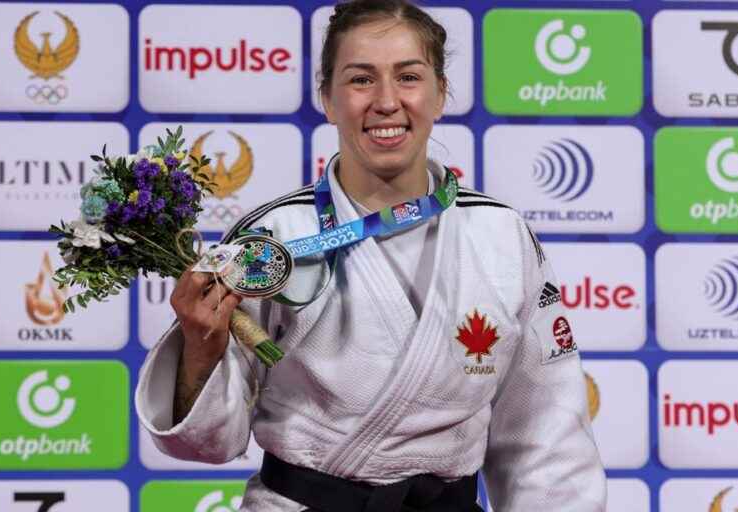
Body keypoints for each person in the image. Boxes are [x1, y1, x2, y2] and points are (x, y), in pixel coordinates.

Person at [135, 1, 606, 510]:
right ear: (328, 99)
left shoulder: (501, 235)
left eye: (408, 77)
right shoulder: (274, 236)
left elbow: (547, 436)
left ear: (440, 92)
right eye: (361, 80)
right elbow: (206, 442)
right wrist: (201, 347)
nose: (386, 101)